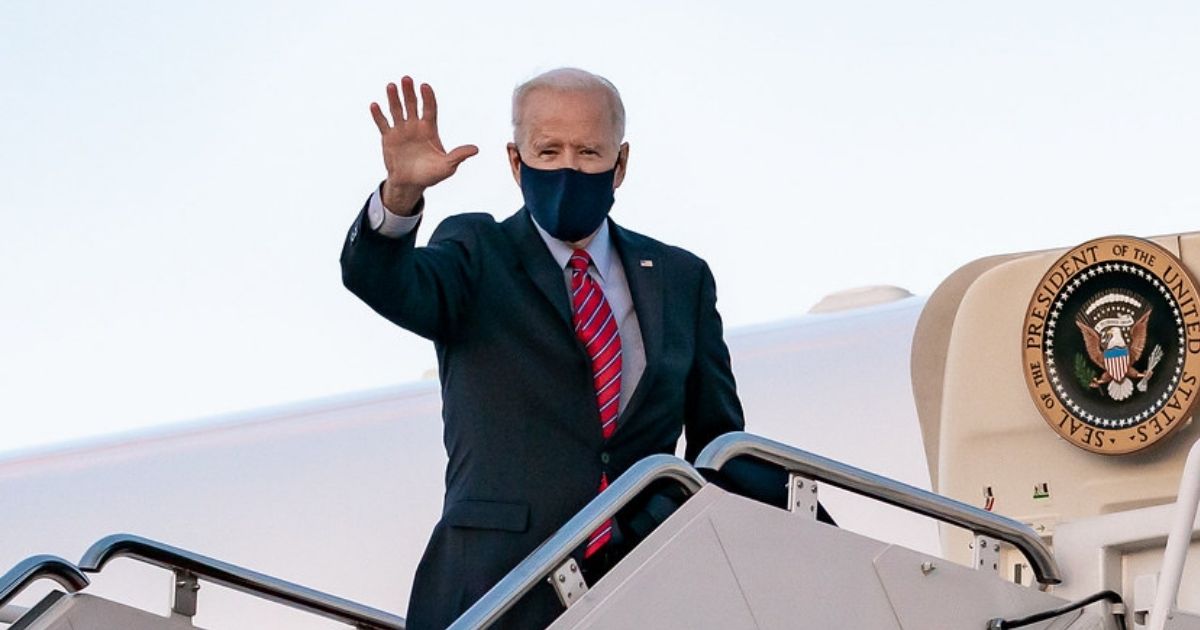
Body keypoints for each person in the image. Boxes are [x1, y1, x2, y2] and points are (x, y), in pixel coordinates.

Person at [340, 68, 744, 629]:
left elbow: (721, 443)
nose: (568, 168)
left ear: (620, 164)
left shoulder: (680, 278)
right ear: (515, 161)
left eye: (588, 151)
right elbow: (383, 280)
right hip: (497, 589)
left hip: (646, 586)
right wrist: (402, 194)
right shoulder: (477, 252)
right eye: (547, 151)